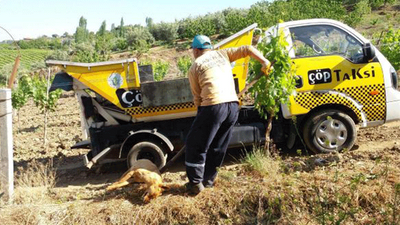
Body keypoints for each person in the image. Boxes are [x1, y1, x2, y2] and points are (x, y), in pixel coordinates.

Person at [185, 34, 271, 194]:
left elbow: (197, 96)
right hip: (232, 106)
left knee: (195, 144)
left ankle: (195, 184)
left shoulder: (195, 66)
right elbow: (247, 48)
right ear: (209, 47)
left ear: (196, 51)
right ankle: (208, 181)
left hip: (213, 105)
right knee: (218, 145)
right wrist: (264, 61)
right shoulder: (222, 54)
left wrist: (201, 114)